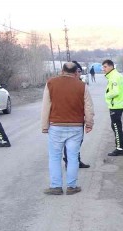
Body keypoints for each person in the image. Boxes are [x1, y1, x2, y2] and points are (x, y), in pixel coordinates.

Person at [41, 62, 94, 195]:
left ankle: (56, 187)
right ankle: (71, 186)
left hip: (56, 126)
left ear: (61, 71)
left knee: (54, 157)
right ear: (76, 72)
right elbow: (88, 107)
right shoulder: (82, 86)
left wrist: (44, 126)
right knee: (72, 157)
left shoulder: (51, 83)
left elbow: (46, 106)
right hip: (76, 127)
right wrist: (89, 123)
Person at [62, 61, 90, 169]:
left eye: (80, 71)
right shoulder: (66, 84)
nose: (79, 73)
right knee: (69, 141)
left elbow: (86, 103)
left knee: (78, 141)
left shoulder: (81, 84)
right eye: (78, 71)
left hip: (78, 117)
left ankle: (76, 160)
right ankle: (69, 161)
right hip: (69, 117)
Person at [102, 59, 123, 156]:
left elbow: (115, 92)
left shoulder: (114, 77)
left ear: (111, 66)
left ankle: (119, 149)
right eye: (103, 67)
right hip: (119, 104)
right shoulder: (119, 75)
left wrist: (106, 95)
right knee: (117, 126)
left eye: (105, 67)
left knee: (116, 127)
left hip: (115, 106)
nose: (103, 69)